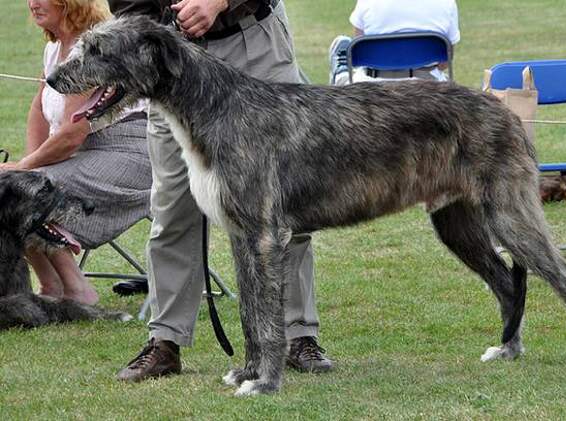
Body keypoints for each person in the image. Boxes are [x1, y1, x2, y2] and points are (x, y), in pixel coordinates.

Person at [108, 0, 333, 381]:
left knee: (281, 202)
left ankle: (298, 336)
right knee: (173, 206)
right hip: (172, 55)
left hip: (253, 42)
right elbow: (130, 7)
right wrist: (162, 34)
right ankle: (165, 340)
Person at [0, 0, 151, 305]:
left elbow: (71, 133)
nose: (32, 4)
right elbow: (39, 109)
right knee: (14, 189)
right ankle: (50, 287)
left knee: (15, 188)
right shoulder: (54, 49)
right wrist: (30, 169)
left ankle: (78, 291)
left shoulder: (90, 52)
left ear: (69, 3)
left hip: (129, 154)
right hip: (86, 153)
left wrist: (25, 172)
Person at [328, 0, 460, 85]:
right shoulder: (447, 3)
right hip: (429, 86)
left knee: (348, 51)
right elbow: (445, 62)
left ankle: (341, 76)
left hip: (370, 86)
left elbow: (359, 53)